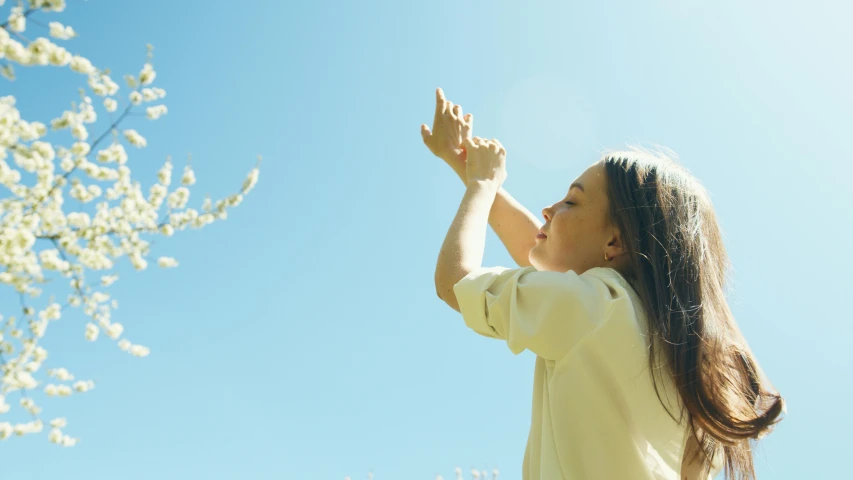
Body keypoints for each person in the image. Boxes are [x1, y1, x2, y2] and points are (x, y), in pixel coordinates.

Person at [423, 88, 785, 480]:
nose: (549, 209)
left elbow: (454, 280)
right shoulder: (685, 362)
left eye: (571, 202)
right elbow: (540, 248)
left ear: (615, 243)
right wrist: (466, 166)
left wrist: (480, 183)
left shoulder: (593, 308)